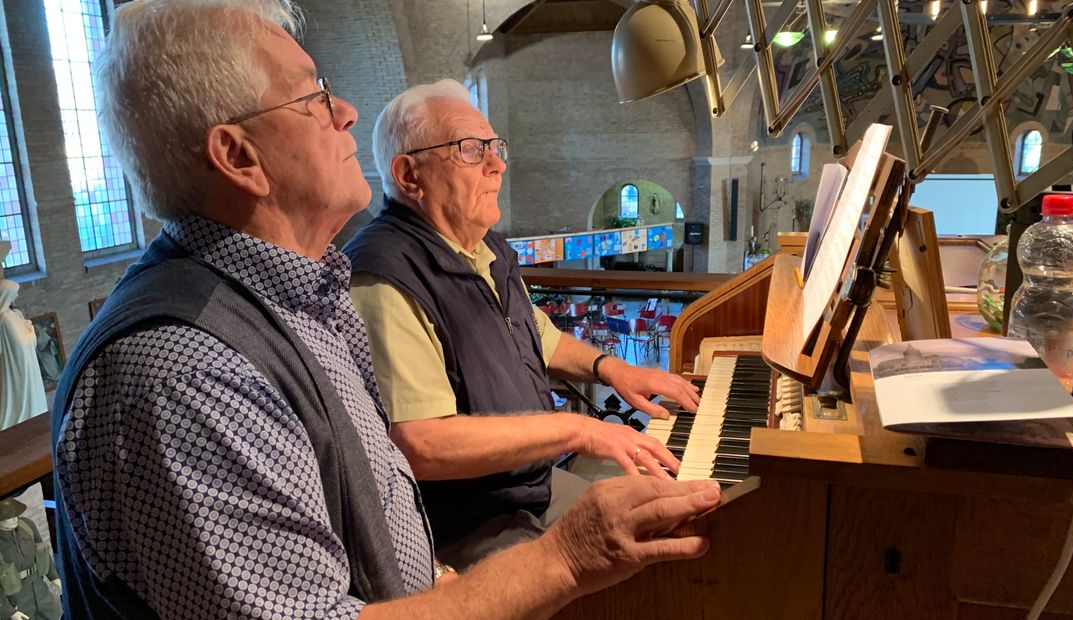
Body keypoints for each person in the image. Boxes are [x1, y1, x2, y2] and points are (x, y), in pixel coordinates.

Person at [50, 1, 723, 618]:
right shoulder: (190, 375)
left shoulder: (300, 296)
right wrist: (565, 557)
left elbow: (372, 501)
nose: (345, 109)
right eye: (312, 96)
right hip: (487, 516)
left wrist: (437, 579)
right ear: (237, 155)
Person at [343, 79, 703, 568]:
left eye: (494, 148)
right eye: (470, 150)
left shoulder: (484, 250)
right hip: (465, 521)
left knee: (671, 517)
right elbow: (421, 443)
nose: (497, 164)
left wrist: (613, 369)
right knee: (638, 565)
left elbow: (539, 335)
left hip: (527, 486)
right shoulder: (384, 276)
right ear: (409, 175)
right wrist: (577, 430)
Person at [0, 497, 61, 620]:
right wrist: (9, 612)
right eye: (8, 517)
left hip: (40, 588)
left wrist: (54, 577)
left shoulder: (27, 525)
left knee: (56, 614)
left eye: (16, 515)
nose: (14, 519)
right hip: (16, 599)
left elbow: (42, 552)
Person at [0, 281, 48, 430]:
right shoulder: (5, 319)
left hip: (27, 363)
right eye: (14, 292)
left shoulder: (11, 314)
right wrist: (31, 330)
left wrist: (27, 327)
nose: (17, 295)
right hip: (20, 367)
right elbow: (21, 344)